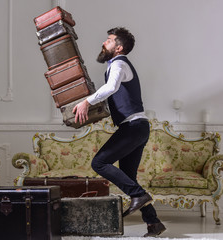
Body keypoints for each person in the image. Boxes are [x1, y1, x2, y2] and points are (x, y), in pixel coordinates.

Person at [72, 27, 166, 237]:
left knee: (99, 163)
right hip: (138, 127)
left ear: (119, 47)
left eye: (109, 40)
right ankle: (154, 223)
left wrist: (86, 101)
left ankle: (139, 196)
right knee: (129, 177)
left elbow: (111, 87)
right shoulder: (116, 64)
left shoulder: (119, 63)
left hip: (133, 127)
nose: (104, 43)